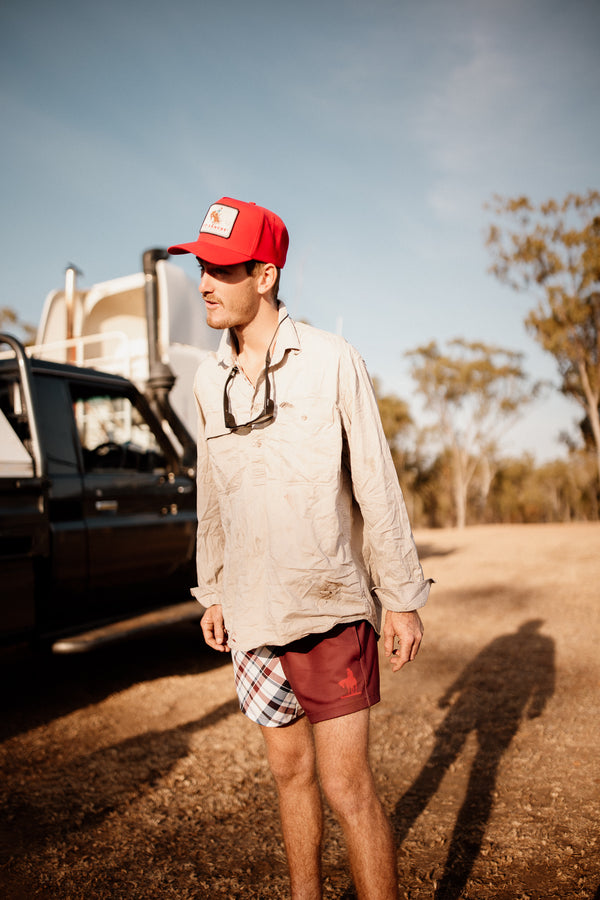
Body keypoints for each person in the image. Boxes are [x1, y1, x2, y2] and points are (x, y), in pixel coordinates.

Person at [168, 197, 432, 900]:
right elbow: (212, 497)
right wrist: (214, 588)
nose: (204, 283)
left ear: (265, 273)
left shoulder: (332, 360)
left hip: (328, 609)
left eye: (222, 269)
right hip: (253, 616)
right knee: (290, 779)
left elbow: (376, 483)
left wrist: (402, 599)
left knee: (349, 788)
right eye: (201, 267)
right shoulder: (205, 378)